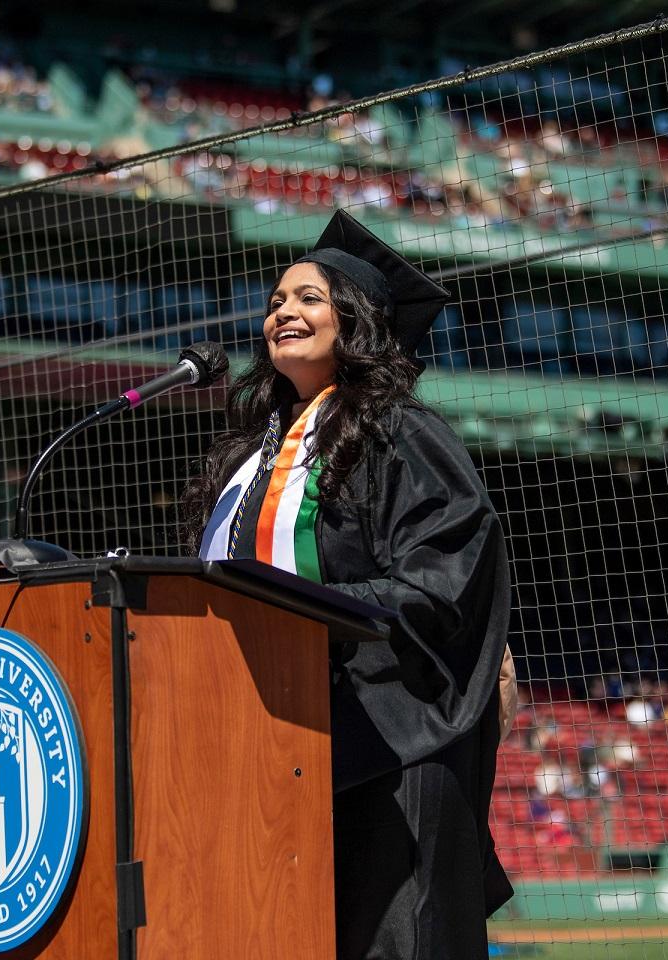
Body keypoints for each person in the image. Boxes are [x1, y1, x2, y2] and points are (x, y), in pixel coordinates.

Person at [185, 210, 511, 959]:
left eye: (307, 298)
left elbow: (442, 582)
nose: (282, 313)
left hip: (388, 743)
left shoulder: (403, 433)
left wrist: (312, 612)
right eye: (274, 302)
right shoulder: (253, 455)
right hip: (277, 741)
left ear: (357, 321)